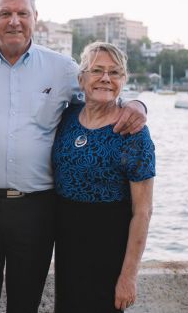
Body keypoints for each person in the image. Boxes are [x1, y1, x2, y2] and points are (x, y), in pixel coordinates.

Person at [0, 0, 147, 313]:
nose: (14, 20)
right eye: (5, 13)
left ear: (35, 17)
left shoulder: (62, 68)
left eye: (22, 13)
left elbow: (100, 94)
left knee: (25, 303)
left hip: (36, 208)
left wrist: (139, 105)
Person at [52, 42, 155, 313]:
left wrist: (128, 277)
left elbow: (142, 212)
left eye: (115, 72)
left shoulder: (133, 132)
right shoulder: (66, 118)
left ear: (123, 80)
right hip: (67, 247)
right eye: (97, 70)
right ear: (81, 79)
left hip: (109, 250)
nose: (106, 78)